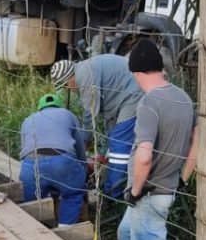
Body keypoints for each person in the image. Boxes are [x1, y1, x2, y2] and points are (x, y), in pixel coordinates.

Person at [118, 37, 197, 240]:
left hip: (149, 194)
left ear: (137, 72)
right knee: (125, 236)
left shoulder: (148, 103)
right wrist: (183, 178)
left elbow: (144, 156)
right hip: (166, 188)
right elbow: (198, 141)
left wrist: (135, 191)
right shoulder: (182, 97)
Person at [50, 54, 142, 197]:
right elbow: (103, 116)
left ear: (70, 78)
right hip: (122, 97)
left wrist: (81, 147)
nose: (69, 90)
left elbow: (89, 116)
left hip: (133, 95)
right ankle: (112, 177)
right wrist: (103, 151)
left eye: (66, 86)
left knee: (119, 143)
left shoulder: (84, 77)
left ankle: (112, 193)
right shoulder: (84, 71)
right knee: (113, 138)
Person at [18, 93, 88, 227]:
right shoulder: (68, 114)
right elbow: (79, 146)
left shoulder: (28, 120)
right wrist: (82, 169)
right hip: (63, 161)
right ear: (58, 106)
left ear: (40, 108)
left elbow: (24, 151)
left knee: (31, 202)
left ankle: (35, 229)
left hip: (31, 164)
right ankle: (65, 230)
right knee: (72, 195)